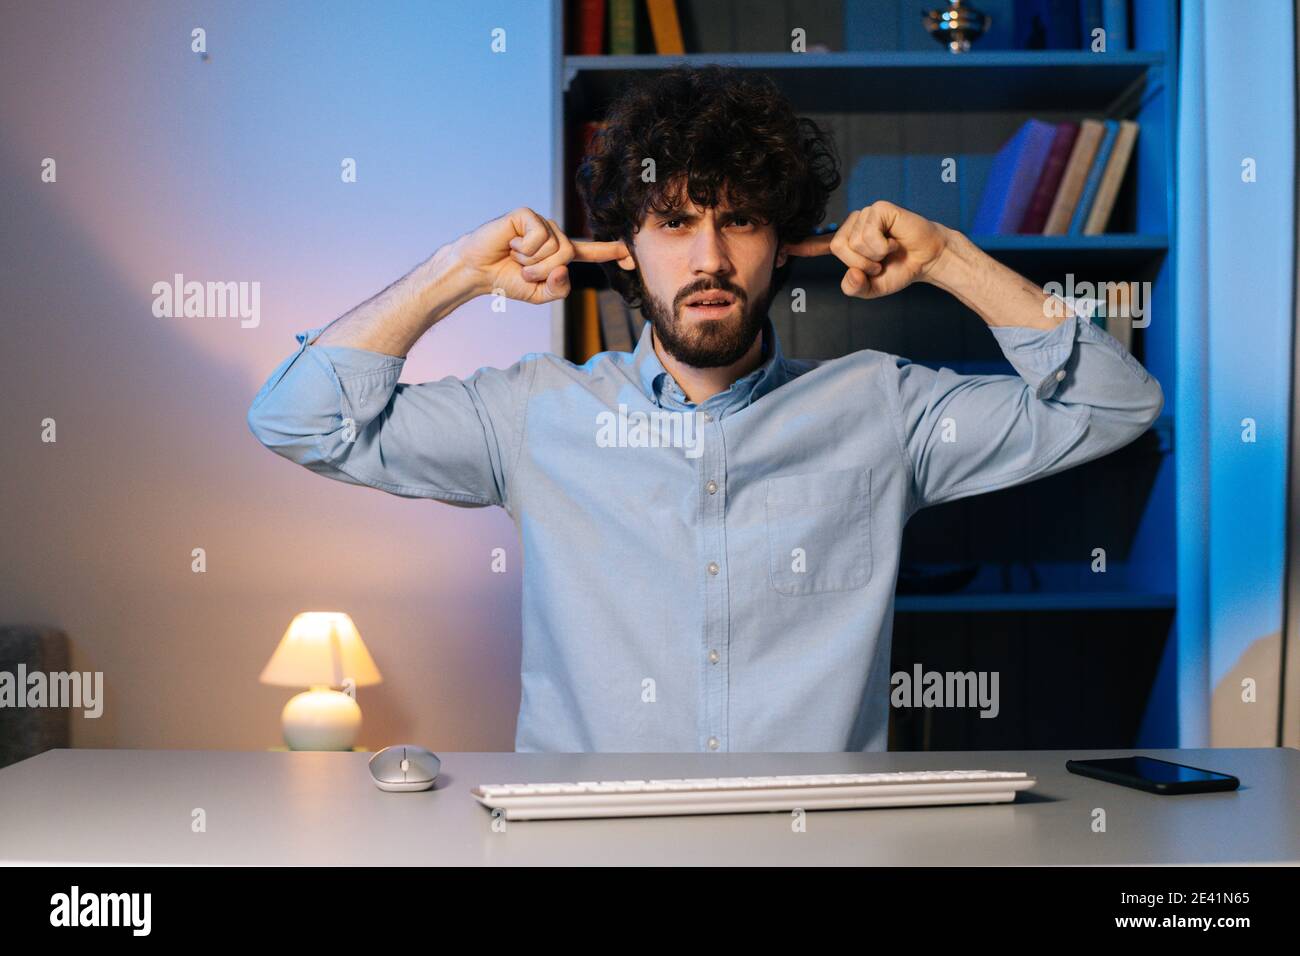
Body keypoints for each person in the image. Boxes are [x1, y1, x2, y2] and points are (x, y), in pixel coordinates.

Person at [248, 66, 1163, 752]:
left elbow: (1116, 407)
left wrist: (950, 258)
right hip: (593, 855)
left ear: (786, 244)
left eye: (743, 220)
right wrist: (456, 274)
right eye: (675, 223)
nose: (710, 258)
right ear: (625, 249)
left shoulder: (884, 408)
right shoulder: (532, 416)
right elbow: (296, 418)